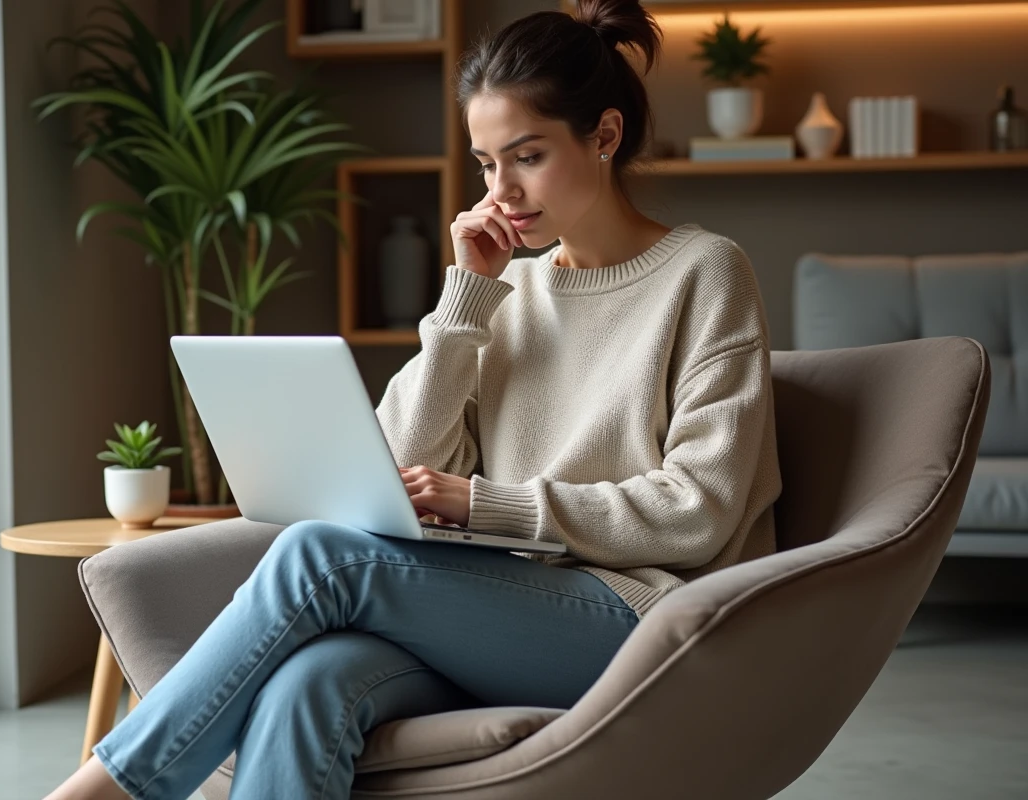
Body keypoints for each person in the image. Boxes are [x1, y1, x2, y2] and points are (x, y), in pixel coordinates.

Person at [44, 0, 782, 797]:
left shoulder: (706, 272)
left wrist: (482, 505)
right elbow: (399, 462)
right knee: (309, 685)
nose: (503, 191)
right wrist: (466, 299)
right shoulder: (506, 289)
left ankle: (115, 785)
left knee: (319, 556)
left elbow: (698, 510)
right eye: (486, 163)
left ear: (603, 136)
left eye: (527, 156)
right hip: (495, 607)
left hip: (641, 620)